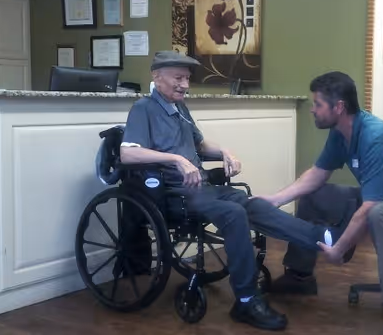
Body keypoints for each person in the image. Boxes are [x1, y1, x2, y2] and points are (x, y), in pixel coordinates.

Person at [120, 51, 354, 331]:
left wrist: (225, 152)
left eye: (187, 79)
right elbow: (127, 155)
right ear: (156, 77)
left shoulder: (180, 108)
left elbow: (200, 145)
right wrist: (176, 160)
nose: (185, 85)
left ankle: (325, 237)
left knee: (251, 202)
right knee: (232, 213)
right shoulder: (144, 108)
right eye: (178, 78)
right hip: (171, 195)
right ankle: (245, 299)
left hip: (200, 189)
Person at [260, 71, 383, 335]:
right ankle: (299, 276)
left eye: (318, 105)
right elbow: (317, 175)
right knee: (314, 195)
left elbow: (370, 208)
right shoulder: (340, 132)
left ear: (339, 107)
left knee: (381, 213)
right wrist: (275, 199)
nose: (312, 110)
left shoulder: (376, 137)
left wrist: (339, 249)